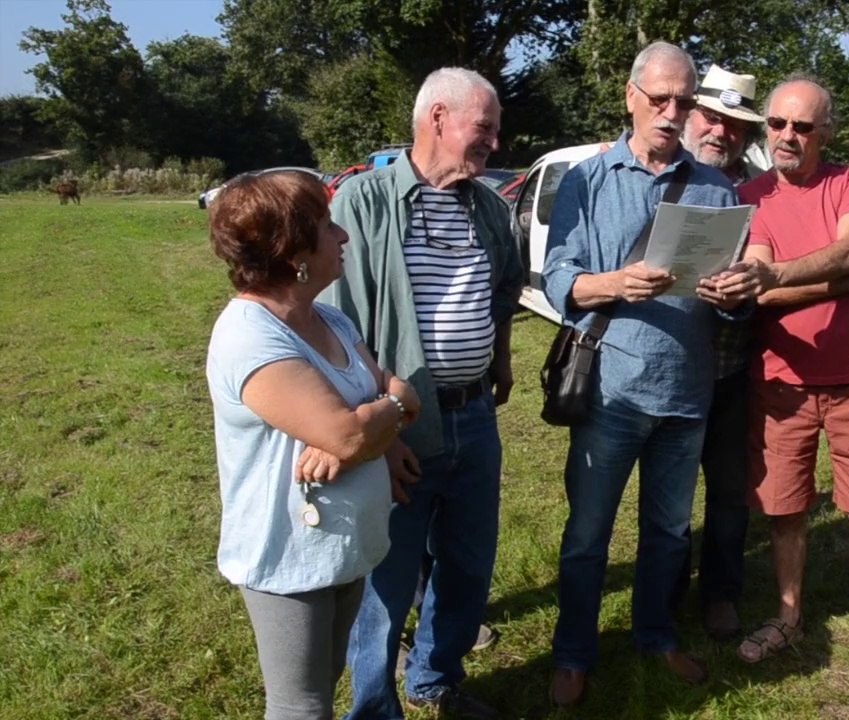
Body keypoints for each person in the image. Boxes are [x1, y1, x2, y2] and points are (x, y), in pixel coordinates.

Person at [541, 41, 770, 707]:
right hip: (612, 387)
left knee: (669, 532)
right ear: (630, 96)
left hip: (688, 392)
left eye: (682, 101)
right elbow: (559, 280)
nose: (672, 113)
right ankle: (574, 651)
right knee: (589, 534)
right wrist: (615, 283)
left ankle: (655, 635)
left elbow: (730, 301)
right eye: (660, 99)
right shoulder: (589, 179)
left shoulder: (715, 187)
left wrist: (733, 298)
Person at [321, 67, 523, 720]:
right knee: (386, 577)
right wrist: (377, 440)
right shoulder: (362, 203)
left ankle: (436, 681)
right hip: (397, 427)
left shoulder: (492, 208)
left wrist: (500, 361)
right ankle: (376, 708)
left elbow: (501, 296)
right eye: (484, 128)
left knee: (468, 566)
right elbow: (336, 331)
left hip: (474, 417)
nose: (494, 143)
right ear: (438, 118)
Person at [205, 171, 421, 720]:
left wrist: (379, 417)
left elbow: (384, 390)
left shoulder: (329, 318)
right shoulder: (250, 336)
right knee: (299, 706)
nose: (344, 236)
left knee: (323, 682)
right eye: (328, 227)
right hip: (287, 553)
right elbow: (352, 430)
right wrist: (384, 416)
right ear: (295, 251)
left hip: (341, 545)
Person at [733, 74, 849, 706]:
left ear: (824, 132)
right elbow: (762, 290)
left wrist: (844, 269)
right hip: (781, 381)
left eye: (802, 127)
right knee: (785, 510)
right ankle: (787, 615)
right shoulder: (748, 195)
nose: (786, 136)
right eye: (777, 124)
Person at [670, 63, 767, 640]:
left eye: (734, 124)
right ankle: (668, 591)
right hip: (671, 372)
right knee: (671, 494)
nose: (720, 131)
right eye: (712, 117)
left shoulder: (756, 195)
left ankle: (721, 593)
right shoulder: (657, 174)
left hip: (731, 369)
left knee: (731, 492)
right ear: (688, 114)